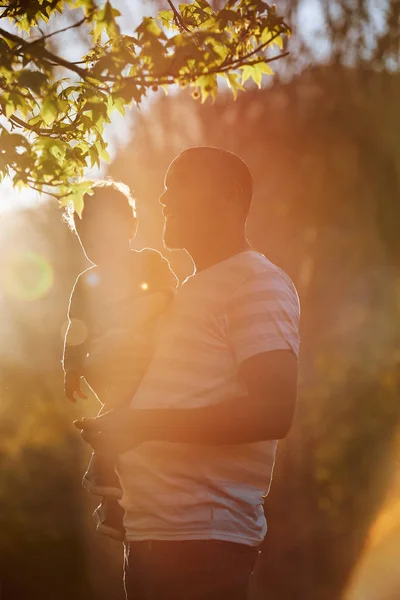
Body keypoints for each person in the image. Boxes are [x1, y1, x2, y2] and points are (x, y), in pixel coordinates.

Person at [76, 147, 300, 600]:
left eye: (177, 185)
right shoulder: (185, 291)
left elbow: (273, 410)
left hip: (202, 546)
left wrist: (141, 426)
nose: (162, 198)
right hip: (154, 539)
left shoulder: (256, 282)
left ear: (229, 196)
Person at [62, 180, 177, 540]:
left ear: (131, 226)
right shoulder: (86, 281)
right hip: (110, 362)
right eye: (88, 240)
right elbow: (76, 329)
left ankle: (113, 501)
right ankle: (107, 466)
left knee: (125, 420)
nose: (98, 247)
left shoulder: (148, 261)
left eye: (105, 234)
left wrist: (137, 312)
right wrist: (72, 366)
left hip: (145, 356)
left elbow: (167, 296)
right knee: (120, 394)